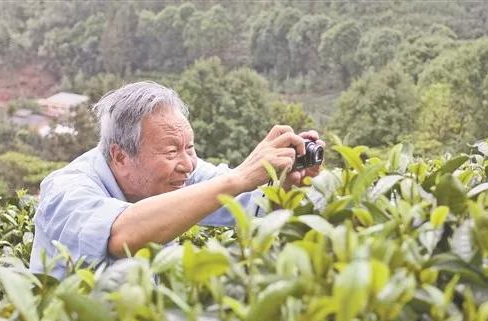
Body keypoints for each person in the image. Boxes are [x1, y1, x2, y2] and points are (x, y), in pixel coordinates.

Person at [29, 81, 324, 279]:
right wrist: (239, 177)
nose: (187, 164)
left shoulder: (179, 171)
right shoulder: (66, 190)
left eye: (190, 147)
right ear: (120, 157)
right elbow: (119, 236)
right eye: (171, 150)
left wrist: (286, 184)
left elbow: (247, 203)